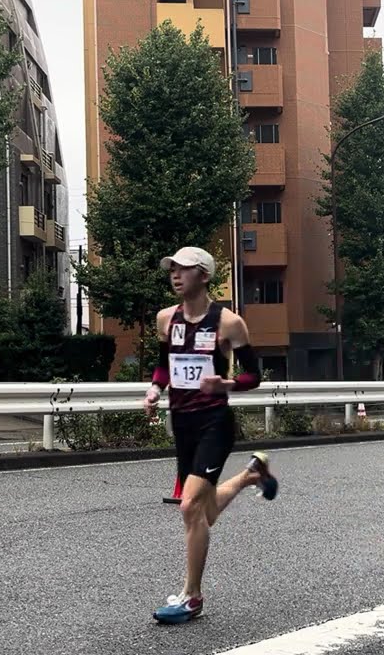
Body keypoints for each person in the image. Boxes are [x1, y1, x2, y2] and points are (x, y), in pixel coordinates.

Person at [143, 246, 278, 624]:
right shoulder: (165, 319)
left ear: (203, 275)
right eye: (171, 269)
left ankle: (192, 596)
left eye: (183, 269)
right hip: (182, 423)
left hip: (215, 424)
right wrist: (155, 390)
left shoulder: (229, 323)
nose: (174, 274)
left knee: (189, 507)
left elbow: (255, 375)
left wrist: (227, 384)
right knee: (204, 510)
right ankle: (253, 473)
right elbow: (162, 366)